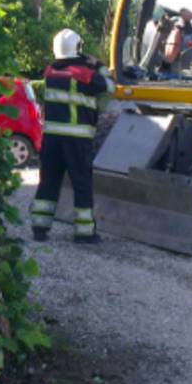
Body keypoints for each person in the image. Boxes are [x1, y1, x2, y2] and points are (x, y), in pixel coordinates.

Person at [29, 29, 116, 243]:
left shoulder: (49, 73)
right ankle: (84, 233)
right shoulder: (85, 74)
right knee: (81, 184)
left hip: (51, 138)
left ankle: (39, 227)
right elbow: (110, 87)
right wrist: (98, 65)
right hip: (77, 139)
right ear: (78, 48)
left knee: (48, 181)